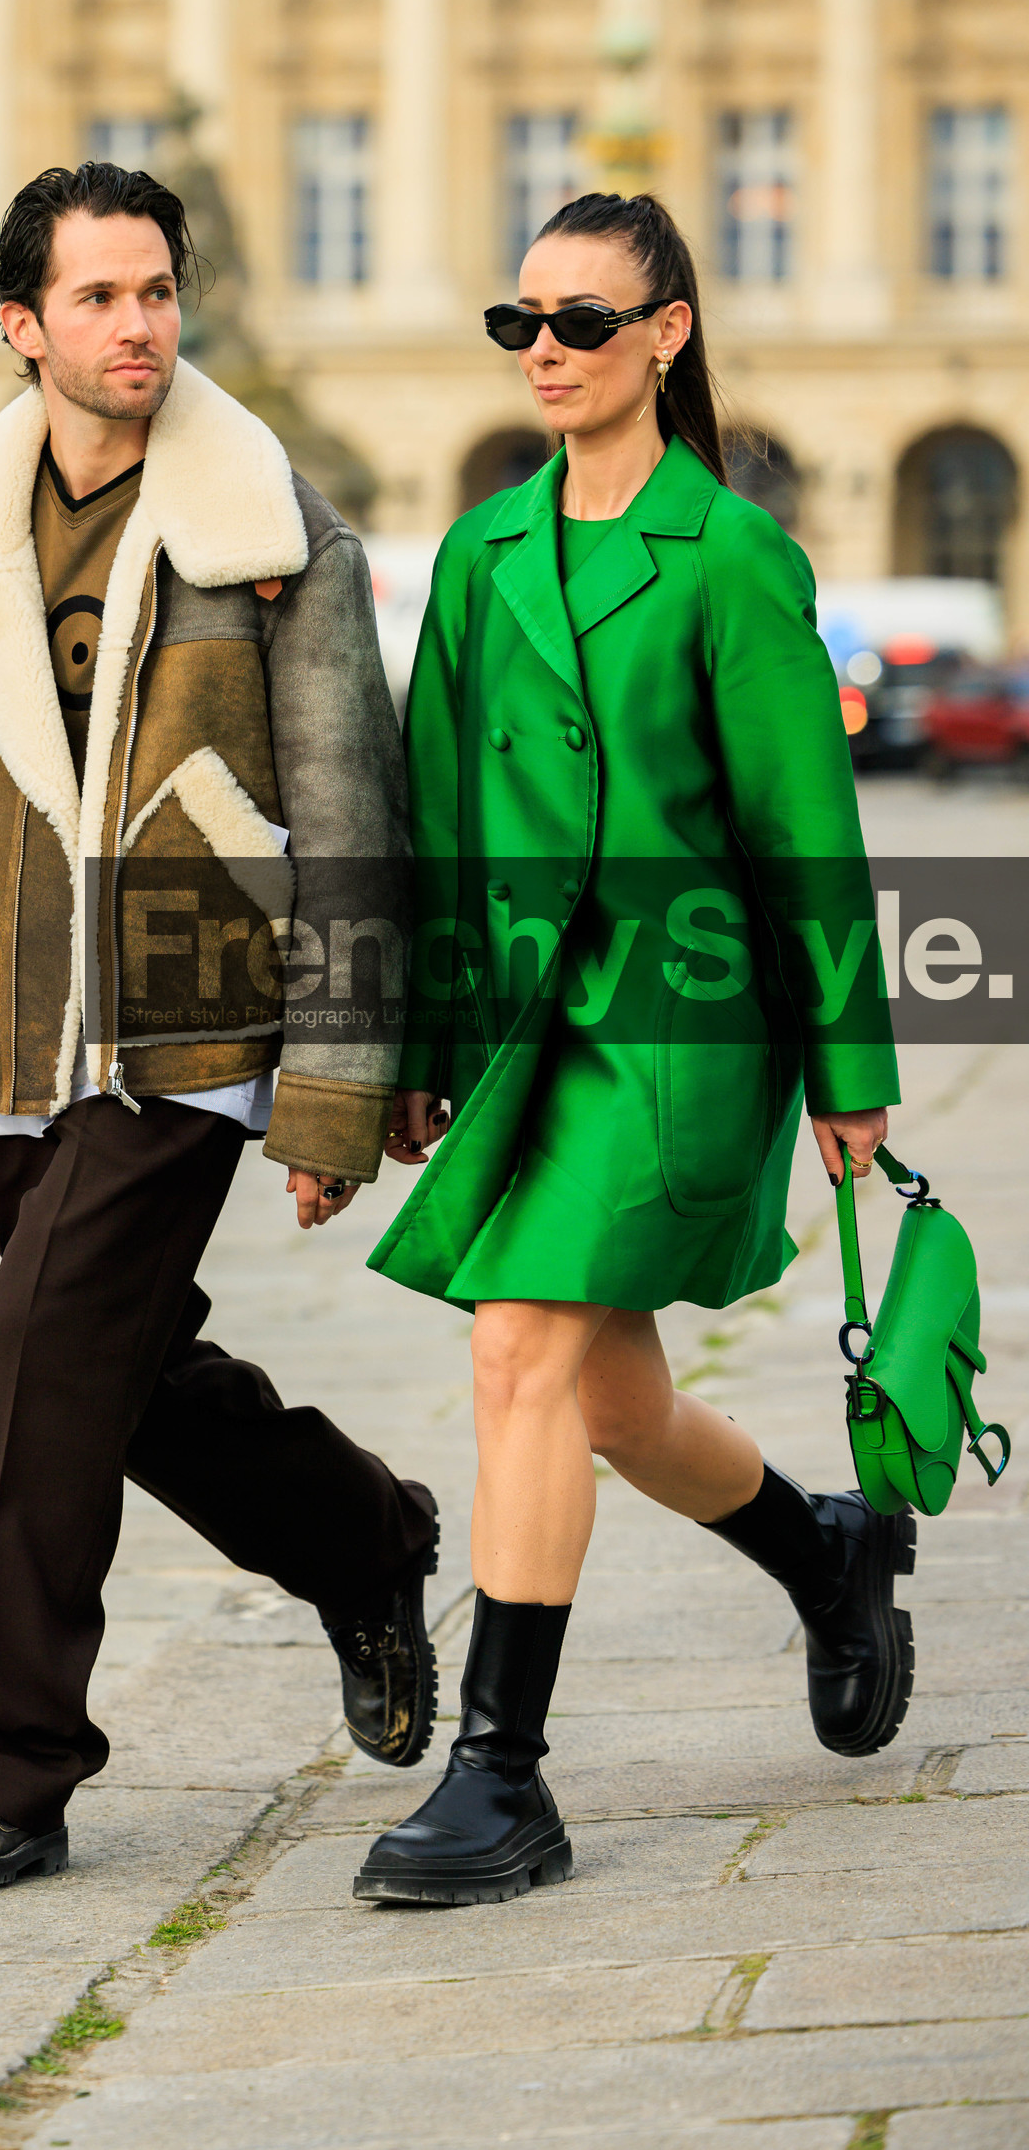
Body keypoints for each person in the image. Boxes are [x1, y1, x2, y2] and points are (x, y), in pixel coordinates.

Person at [0, 162, 439, 1891]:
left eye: (157, 291)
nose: (140, 323)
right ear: (24, 324)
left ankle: (1, 1759)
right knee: (120, 1378)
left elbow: (353, 805)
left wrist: (337, 1085)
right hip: (26, 1022)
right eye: (100, 296)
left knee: (38, 1360)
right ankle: (367, 1536)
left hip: (194, 1021)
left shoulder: (263, 521)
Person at [353, 192, 903, 1910]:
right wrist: (421, 1036)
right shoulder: (482, 549)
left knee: (518, 1344)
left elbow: (805, 827)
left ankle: (502, 1771)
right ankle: (827, 1551)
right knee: (613, 1396)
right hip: (526, 1024)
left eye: (581, 321)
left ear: (667, 332)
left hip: (682, 1020)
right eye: (520, 323)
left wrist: (849, 1067)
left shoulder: (733, 554)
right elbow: (438, 810)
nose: (546, 354)